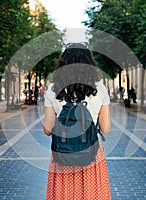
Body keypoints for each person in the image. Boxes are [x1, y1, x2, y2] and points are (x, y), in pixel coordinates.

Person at [43, 43, 111, 199]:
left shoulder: (54, 88)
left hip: (62, 155)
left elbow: (47, 130)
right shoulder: (99, 88)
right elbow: (105, 128)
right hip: (91, 154)